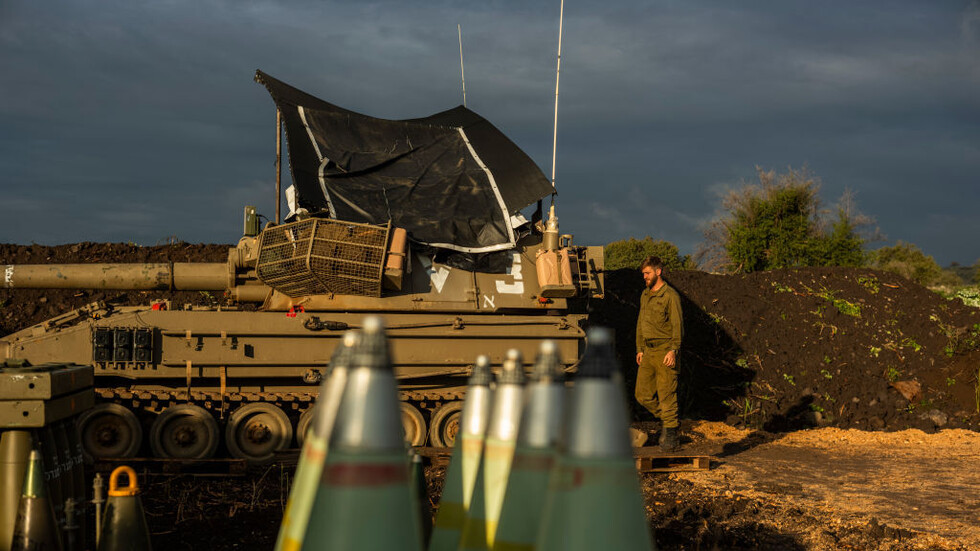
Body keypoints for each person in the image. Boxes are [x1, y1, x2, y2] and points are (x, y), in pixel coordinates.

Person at [634, 256, 683, 451]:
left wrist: (673, 350)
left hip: (665, 351)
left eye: (647, 273)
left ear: (658, 272)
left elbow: (678, 325)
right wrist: (640, 348)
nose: (644, 277)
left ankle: (671, 438)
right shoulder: (645, 294)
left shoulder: (670, 296)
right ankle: (671, 423)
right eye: (643, 274)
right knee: (642, 395)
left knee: (666, 395)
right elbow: (641, 322)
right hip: (648, 351)